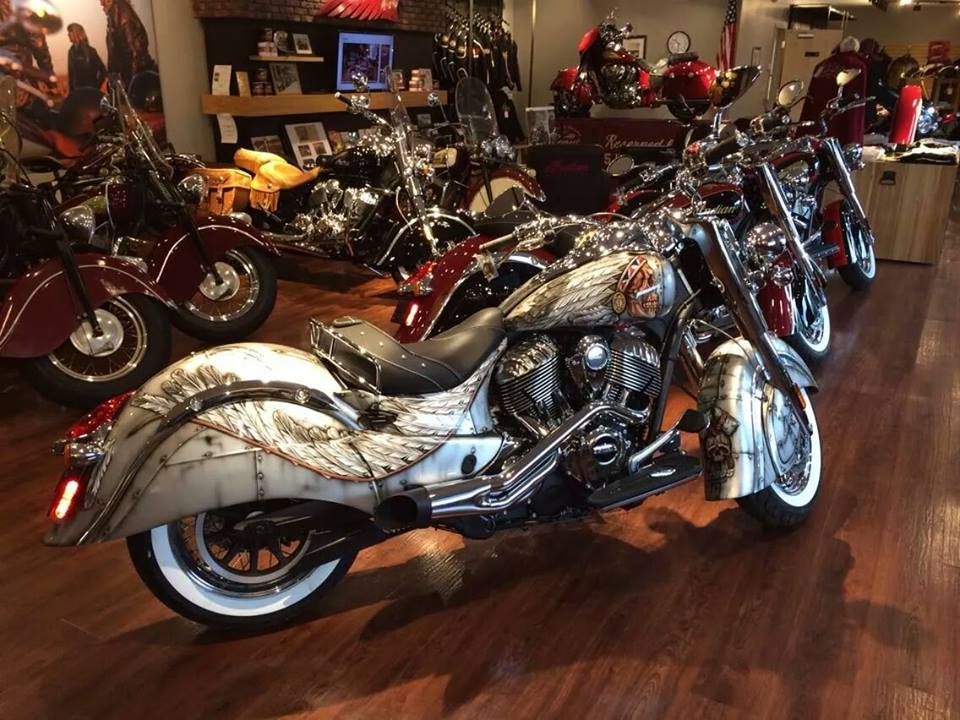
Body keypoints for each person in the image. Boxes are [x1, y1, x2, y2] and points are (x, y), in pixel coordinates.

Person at [799, 36, 869, 146]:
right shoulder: (857, 66)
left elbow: (812, 91)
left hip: (816, 112)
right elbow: (857, 98)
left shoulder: (822, 65)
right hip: (840, 115)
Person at [100, 0, 157, 87]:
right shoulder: (116, 13)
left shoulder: (120, 11)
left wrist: (132, 84)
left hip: (136, 78)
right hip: (133, 76)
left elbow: (135, 51)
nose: (101, 3)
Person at [67, 23, 107, 92]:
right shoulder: (71, 52)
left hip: (90, 91)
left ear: (77, 33)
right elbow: (71, 75)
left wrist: (96, 86)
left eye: (70, 31)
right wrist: (71, 93)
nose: (68, 34)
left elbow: (103, 70)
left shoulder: (91, 51)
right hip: (77, 92)